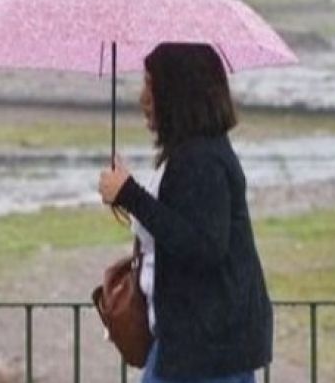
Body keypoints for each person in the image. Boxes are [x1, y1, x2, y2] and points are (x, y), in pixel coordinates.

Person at [97, 43, 272, 383]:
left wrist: (130, 194)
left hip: (205, 351)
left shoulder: (201, 160)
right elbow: (180, 226)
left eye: (150, 85)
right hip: (194, 345)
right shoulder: (193, 155)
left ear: (176, 93)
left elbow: (204, 245)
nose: (142, 97)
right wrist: (127, 194)